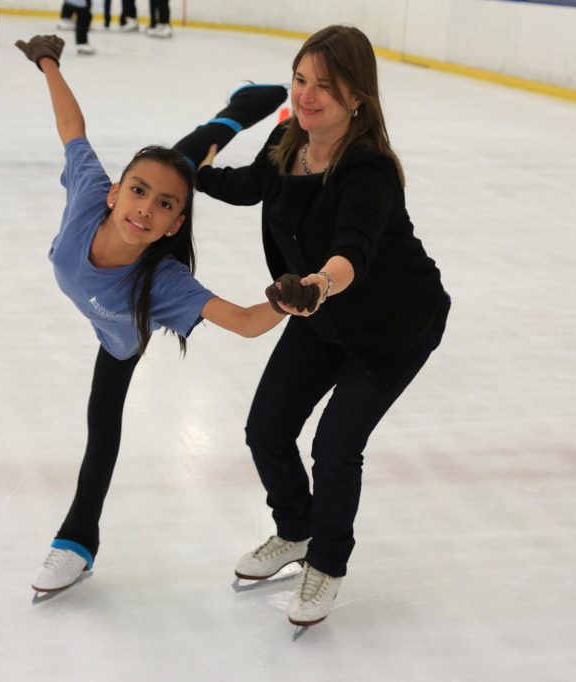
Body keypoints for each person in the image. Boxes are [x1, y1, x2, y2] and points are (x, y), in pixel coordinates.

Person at [12, 35, 293, 593]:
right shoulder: (92, 194)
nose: (145, 207)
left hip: (120, 338)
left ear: (176, 227)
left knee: (102, 430)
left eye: (164, 208)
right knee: (178, 163)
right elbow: (72, 128)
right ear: (113, 193)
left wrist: (292, 298)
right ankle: (245, 106)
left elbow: (241, 320)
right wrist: (48, 62)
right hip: (124, 260)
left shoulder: (163, 284)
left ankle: (76, 540)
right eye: (135, 193)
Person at [195, 24, 450, 627]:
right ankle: (297, 531)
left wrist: (315, 286)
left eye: (324, 88)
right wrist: (192, 173)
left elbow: (352, 252)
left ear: (357, 96)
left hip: (391, 325)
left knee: (335, 446)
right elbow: (247, 186)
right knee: (266, 430)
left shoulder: (370, 171)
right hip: (321, 315)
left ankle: (327, 565)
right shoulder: (290, 139)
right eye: (300, 79)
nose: (306, 96)